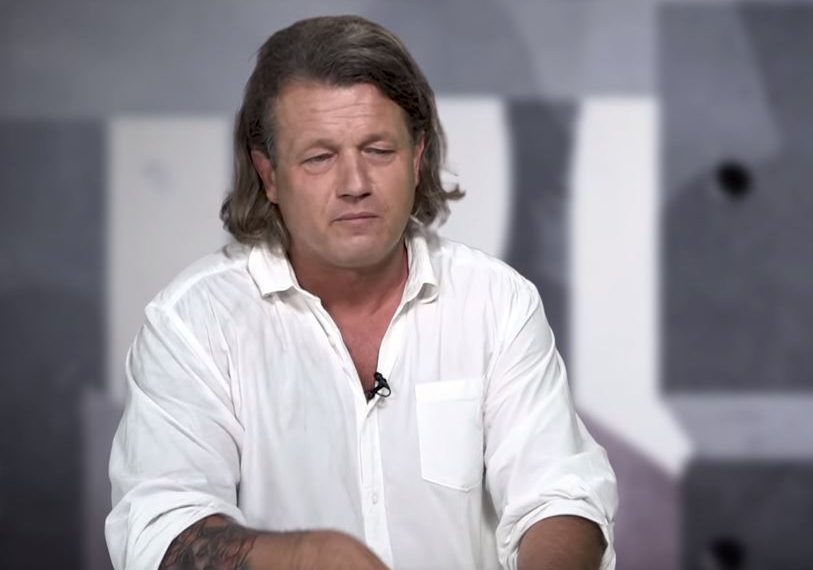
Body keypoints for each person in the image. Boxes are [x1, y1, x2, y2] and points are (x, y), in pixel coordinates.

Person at [105, 14, 617, 570]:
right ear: (269, 175)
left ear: (417, 157)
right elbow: (159, 533)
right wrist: (304, 558)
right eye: (320, 157)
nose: (355, 184)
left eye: (378, 150)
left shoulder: (497, 302)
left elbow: (560, 497)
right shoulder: (192, 324)